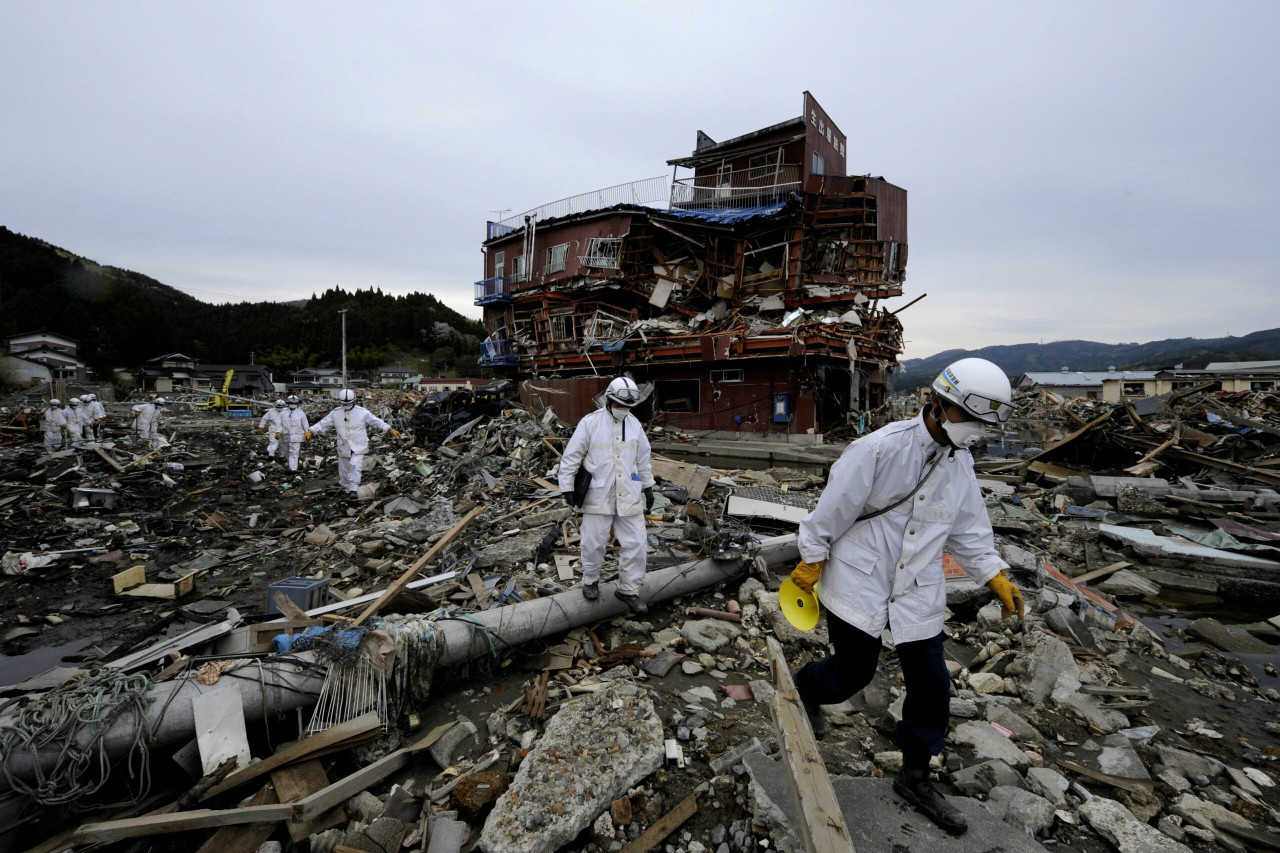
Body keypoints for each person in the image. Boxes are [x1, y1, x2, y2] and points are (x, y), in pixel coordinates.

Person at [789, 357, 1025, 836]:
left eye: (982, 423)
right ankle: (805, 688)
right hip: (861, 579)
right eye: (970, 418)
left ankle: (915, 776)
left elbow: (969, 530)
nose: (974, 430)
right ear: (938, 403)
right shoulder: (877, 449)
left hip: (917, 590)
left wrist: (993, 573)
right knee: (853, 673)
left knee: (933, 685)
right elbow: (830, 512)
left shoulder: (961, 465)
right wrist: (811, 559)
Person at [557, 376, 656, 614]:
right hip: (597, 495)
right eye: (620, 405)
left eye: (628, 407)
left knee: (637, 544)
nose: (624, 410)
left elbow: (643, 458)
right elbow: (572, 456)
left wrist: (649, 485)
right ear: (610, 400)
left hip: (629, 494)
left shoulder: (634, 426)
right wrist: (567, 487)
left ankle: (628, 590)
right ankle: (590, 580)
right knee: (593, 543)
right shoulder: (590, 423)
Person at [305, 389, 398, 492]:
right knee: (344, 470)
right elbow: (323, 424)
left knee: (355, 466)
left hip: (359, 445)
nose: (346, 405)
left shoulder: (362, 412)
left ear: (353, 401)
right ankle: (345, 487)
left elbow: (376, 421)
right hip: (344, 445)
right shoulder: (335, 413)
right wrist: (311, 431)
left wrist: (389, 429)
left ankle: (353, 489)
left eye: (348, 403)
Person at [279, 395, 309, 472]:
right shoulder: (283, 413)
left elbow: (305, 424)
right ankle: (290, 465)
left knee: (294, 452)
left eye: (295, 403)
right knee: (287, 452)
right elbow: (278, 423)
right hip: (285, 435)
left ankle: (293, 469)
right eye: (291, 403)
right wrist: (277, 432)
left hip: (297, 436)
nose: (293, 404)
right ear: (288, 403)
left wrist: (307, 433)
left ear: (297, 404)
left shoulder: (301, 413)